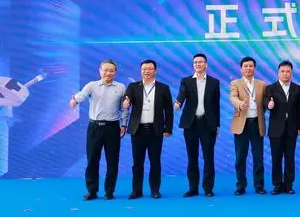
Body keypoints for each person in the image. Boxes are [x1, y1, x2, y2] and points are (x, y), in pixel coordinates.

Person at [69, 59, 128, 200]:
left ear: (115, 72)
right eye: (105, 70)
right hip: (94, 128)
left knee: (112, 161)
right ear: (100, 71)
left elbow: (124, 109)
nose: (108, 73)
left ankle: (109, 191)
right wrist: (75, 100)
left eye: (111, 70)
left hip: (113, 128)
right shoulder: (92, 86)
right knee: (92, 160)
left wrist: (124, 124)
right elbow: (82, 95)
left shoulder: (121, 87)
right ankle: (92, 191)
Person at [122, 60, 173, 199]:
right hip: (138, 130)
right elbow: (127, 99)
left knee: (155, 161)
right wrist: (126, 103)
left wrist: (168, 128)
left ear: (155, 71)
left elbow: (168, 110)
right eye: (144, 69)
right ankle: (136, 191)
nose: (147, 71)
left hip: (155, 130)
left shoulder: (163, 88)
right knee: (137, 163)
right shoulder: (133, 86)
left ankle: (155, 190)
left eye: (150, 69)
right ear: (140, 71)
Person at [174, 53, 220, 198]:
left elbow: (216, 105)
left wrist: (217, 125)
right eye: (195, 62)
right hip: (191, 124)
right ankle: (193, 188)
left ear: (206, 64)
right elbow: (182, 94)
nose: (198, 64)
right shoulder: (186, 81)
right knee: (192, 157)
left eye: (200, 62)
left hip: (208, 124)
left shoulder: (214, 82)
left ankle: (208, 188)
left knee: (208, 157)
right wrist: (178, 102)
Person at [263, 60, 300, 195]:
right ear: (278, 73)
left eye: (288, 72)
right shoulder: (270, 88)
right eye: (283, 71)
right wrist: (268, 105)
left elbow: (299, 109)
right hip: (276, 129)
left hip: (292, 128)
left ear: (291, 73)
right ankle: (277, 185)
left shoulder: (297, 88)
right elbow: (265, 101)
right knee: (276, 157)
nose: (285, 74)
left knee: (290, 157)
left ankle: (289, 185)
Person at [230, 56, 267, 195]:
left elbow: (265, 102)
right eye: (245, 66)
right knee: (240, 157)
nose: (248, 68)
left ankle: (259, 186)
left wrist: (269, 104)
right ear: (241, 68)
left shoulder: (262, 84)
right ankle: (240, 186)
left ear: (254, 68)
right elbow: (233, 97)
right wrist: (240, 104)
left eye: (251, 66)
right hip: (242, 125)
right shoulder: (235, 83)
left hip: (257, 123)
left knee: (258, 157)